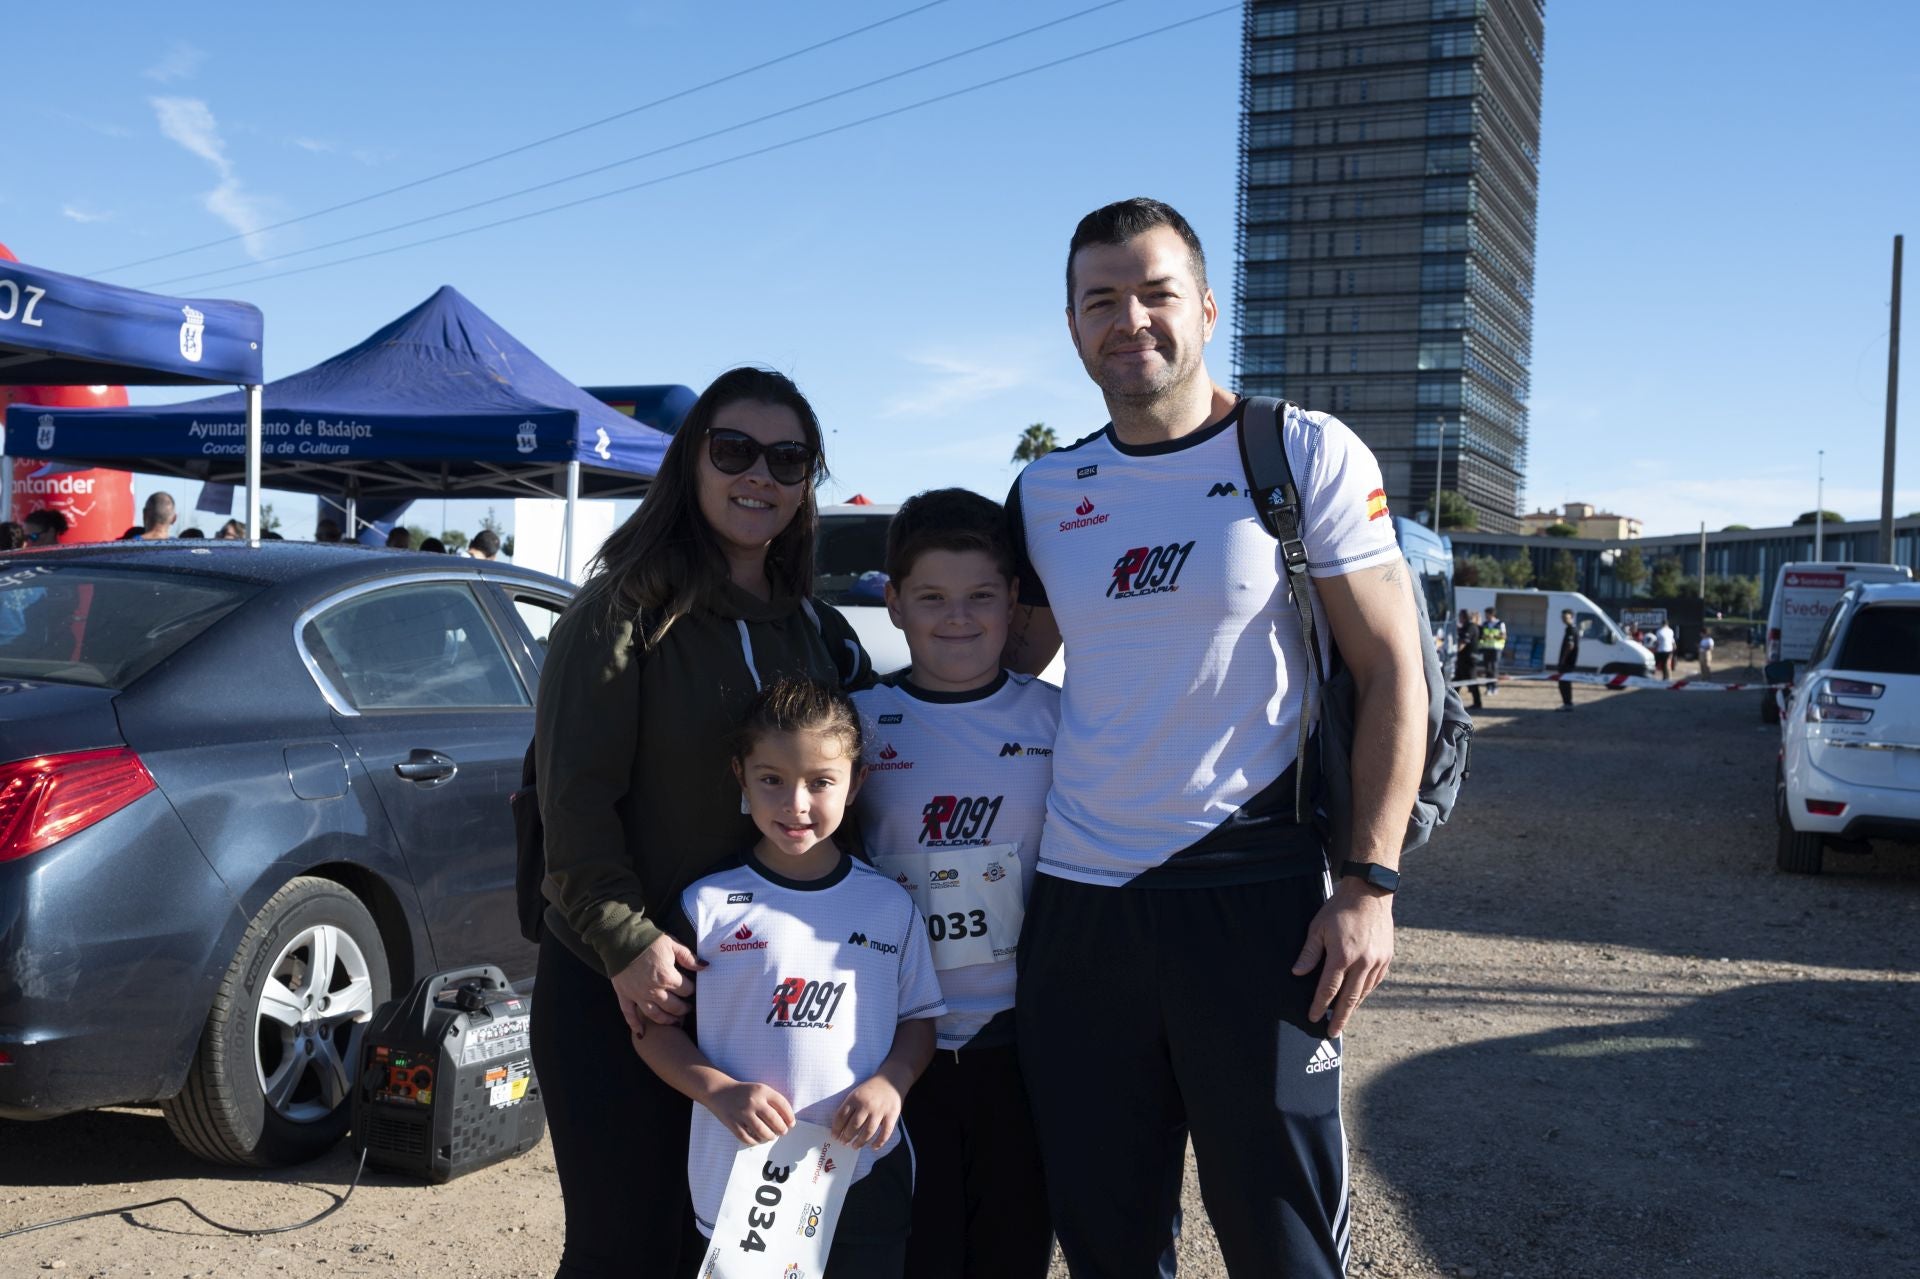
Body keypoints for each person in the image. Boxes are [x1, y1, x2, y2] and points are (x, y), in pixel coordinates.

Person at [1002, 198, 1427, 1277]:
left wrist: (1369, 882)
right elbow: (1001, 672)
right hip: (1082, 914)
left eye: (1155, 292)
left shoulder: (1298, 451)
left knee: (1287, 1241)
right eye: (1101, 299)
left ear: (1205, 307)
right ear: (1072, 324)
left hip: (1263, 907)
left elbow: (1394, 672)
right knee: (1107, 1245)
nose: (1129, 319)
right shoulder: (1045, 491)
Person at [530, 366, 869, 1279]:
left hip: (762, 998)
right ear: (692, 461)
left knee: (740, 1257)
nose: (760, 474)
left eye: (788, 459)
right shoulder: (618, 615)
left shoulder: (817, 630)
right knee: (623, 1251)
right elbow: (573, 806)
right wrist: (626, 943)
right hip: (625, 988)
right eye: (735, 450)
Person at [632, 679, 942, 1279]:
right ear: (740, 777)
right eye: (772, 779)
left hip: (865, 1174)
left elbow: (919, 1020)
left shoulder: (889, 905)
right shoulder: (706, 905)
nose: (796, 804)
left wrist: (892, 1082)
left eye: (821, 782)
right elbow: (652, 1030)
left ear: (856, 783)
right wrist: (718, 1092)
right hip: (742, 1182)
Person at [850, 487, 1058, 1279]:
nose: (958, 618)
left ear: (1013, 601)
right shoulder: (856, 720)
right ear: (894, 602)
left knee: (1013, 1251)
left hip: (1021, 1042)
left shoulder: (1059, 719)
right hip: (899, 1046)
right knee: (919, 1255)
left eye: (980, 596)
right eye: (932, 597)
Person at [1455, 606, 1484, 710]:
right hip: (1463, 659)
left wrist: (1454, 651)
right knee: (1457, 681)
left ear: (1463, 617)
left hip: (1469, 659)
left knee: (1472, 681)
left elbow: (1463, 642)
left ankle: (1477, 703)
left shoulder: (1471, 627)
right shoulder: (1465, 627)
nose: (1458, 618)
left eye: (1459, 616)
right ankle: (1450, 701)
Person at [1477, 606, 1506, 695]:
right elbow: (1481, 635)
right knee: (1487, 668)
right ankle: (1489, 687)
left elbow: (1504, 636)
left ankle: (1495, 687)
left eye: (1486, 614)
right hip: (1486, 648)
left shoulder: (1500, 624)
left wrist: (1493, 636)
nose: (1485, 616)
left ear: (1491, 614)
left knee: (1494, 668)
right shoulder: (1485, 624)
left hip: (1496, 649)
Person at [1555, 607, 1579, 711]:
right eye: (1562, 618)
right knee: (1564, 683)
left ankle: (1567, 704)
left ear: (1572, 618)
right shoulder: (1570, 629)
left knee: (1564, 683)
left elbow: (1570, 646)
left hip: (1567, 662)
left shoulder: (1571, 629)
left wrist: (1563, 660)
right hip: (1568, 662)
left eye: (1566, 618)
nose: (1564, 620)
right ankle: (1567, 703)